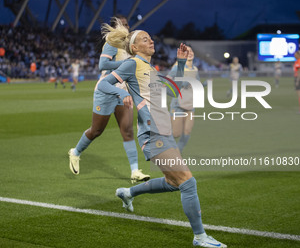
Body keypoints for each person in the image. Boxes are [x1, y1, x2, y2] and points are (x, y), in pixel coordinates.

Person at [97, 19, 227, 247]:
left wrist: (181, 62)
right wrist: (121, 96)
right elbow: (103, 85)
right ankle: (199, 236)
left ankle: (128, 192)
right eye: (145, 39)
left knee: (173, 182)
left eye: (151, 38)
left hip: (161, 129)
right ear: (134, 47)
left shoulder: (149, 68)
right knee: (187, 182)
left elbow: (169, 87)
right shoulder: (131, 64)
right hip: (152, 132)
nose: (151, 41)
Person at [68, 15, 150, 183]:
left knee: (127, 131)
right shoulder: (112, 44)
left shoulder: (129, 46)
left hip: (123, 91)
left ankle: (135, 171)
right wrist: (125, 66)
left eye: (127, 24)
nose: (127, 27)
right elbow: (102, 66)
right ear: (116, 27)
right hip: (106, 90)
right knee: (96, 131)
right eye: (123, 25)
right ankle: (75, 152)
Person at [169, 45, 199, 154]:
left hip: (190, 104)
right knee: (176, 134)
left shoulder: (195, 69)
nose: (190, 53)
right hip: (178, 105)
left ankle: (178, 153)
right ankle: (162, 146)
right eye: (187, 51)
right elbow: (168, 80)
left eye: (191, 51)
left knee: (187, 132)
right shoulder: (178, 67)